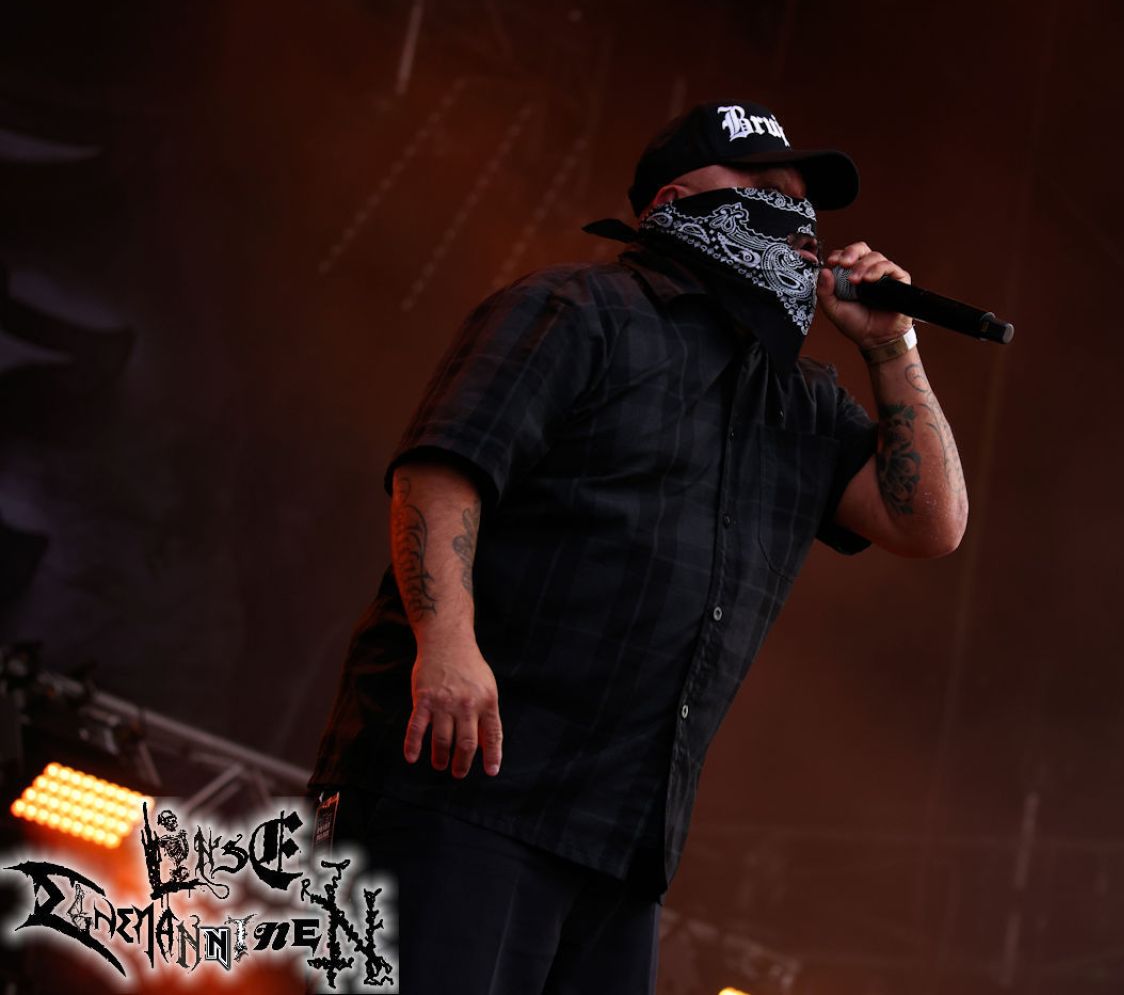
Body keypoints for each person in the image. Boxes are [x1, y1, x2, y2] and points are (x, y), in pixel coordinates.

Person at [306, 99, 968, 994]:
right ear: (673, 199)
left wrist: (893, 347)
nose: (795, 218)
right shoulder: (576, 308)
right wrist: (447, 641)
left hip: (619, 840)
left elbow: (929, 522)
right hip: (461, 786)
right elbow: (442, 468)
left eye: (803, 201)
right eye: (762, 188)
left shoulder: (799, 402)